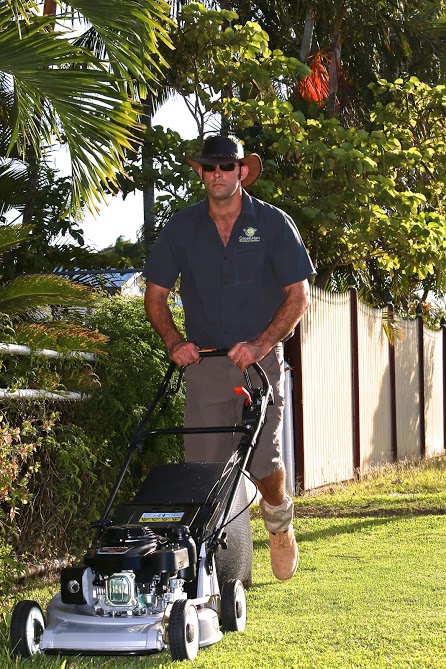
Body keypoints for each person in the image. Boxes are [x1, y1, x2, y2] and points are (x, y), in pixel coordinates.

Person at [143, 135, 315, 582]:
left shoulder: (274, 224)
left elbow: (299, 297)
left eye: (226, 167)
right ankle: (208, 568)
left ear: (242, 171)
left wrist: (260, 344)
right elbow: (156, 297)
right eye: (209, 167)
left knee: (262, 461)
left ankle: (278, 523)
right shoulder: (181, 228)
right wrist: (174, 341)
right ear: (201, 173)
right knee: (203, 471)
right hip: (205, 363)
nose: (217, 175)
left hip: (260, 361)